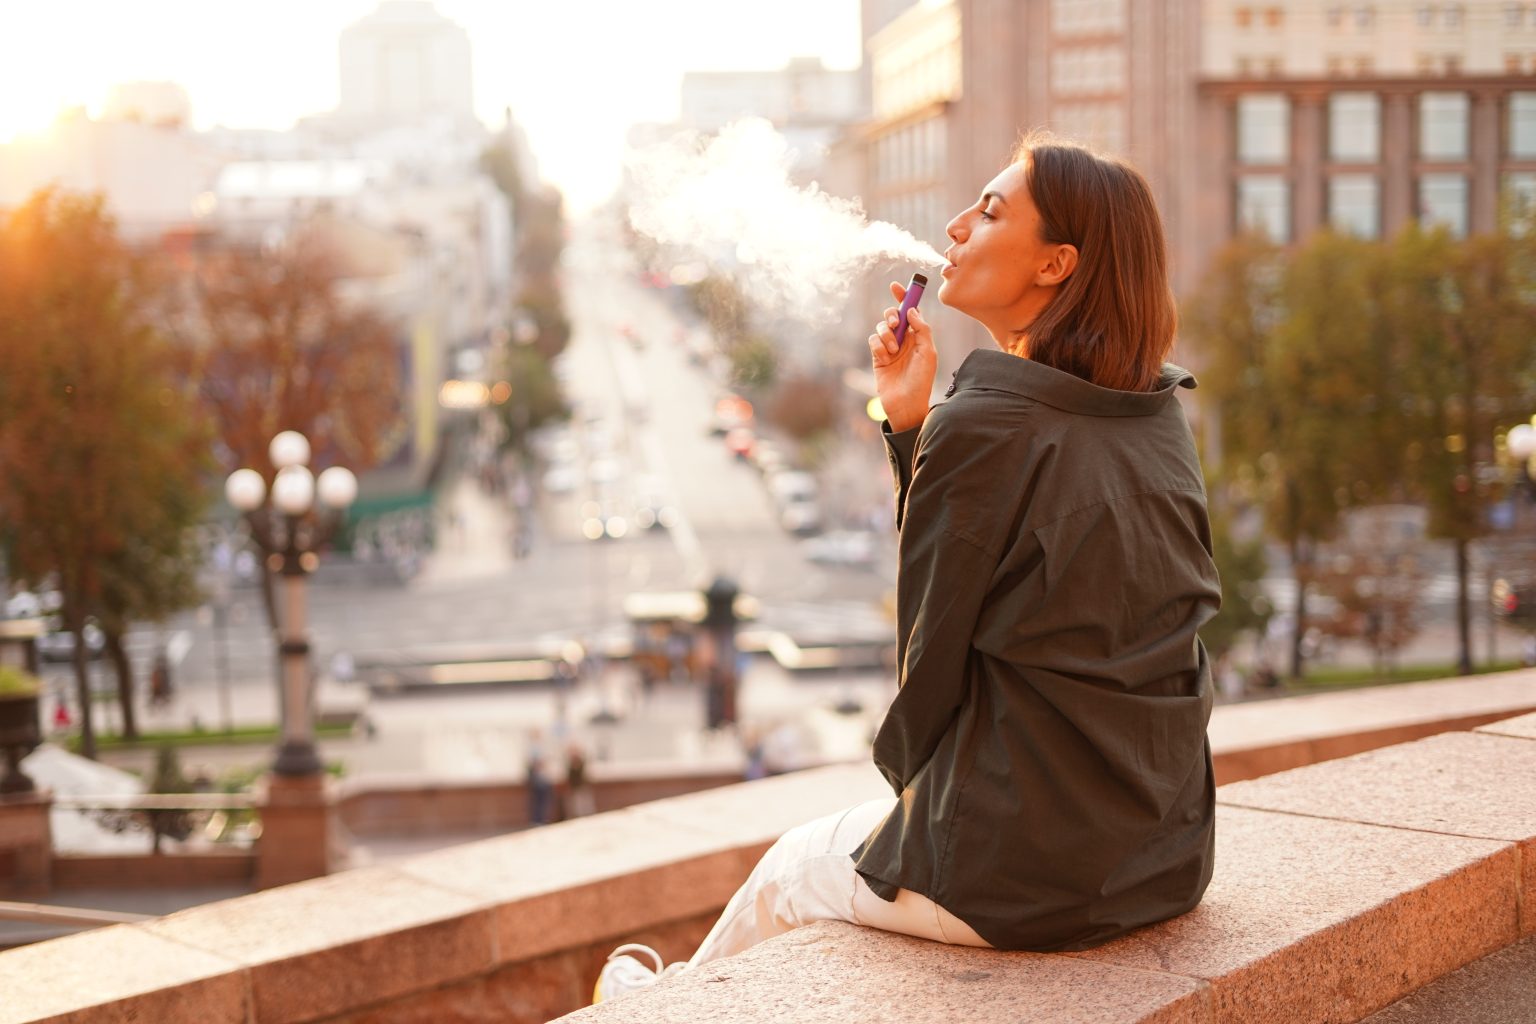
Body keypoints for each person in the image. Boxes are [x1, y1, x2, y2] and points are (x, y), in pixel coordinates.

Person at [594, 131, 1222, 1002]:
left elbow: (928, 668)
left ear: (1056, 265)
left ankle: (656, 1011)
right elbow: (1031, 569)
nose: (958, 225)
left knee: (790, 870)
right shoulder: (1156, 415)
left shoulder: (985, 422)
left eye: (993, 211)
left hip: (1028, 876)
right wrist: (913, 421)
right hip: (1165, 853)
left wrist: (923, 432)